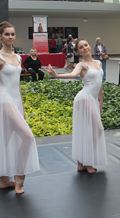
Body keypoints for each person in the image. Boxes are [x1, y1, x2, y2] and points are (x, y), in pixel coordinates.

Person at [0, 21, 40, 195]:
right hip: (3, 101)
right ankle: (19, 178)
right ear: (0, 37)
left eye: (12, 34)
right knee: (27, 136)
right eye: (7, 34)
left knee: (7, 139)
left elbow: (17, 84)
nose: (10, 37)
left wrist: (22, 107)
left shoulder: (18, 57)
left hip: (15, 101)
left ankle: (4, 180)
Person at [45, 39, 107, 174]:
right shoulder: (81, 65)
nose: (84, 48)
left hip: (93, 99)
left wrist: (100, 101)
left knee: (90, 130)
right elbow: (73, 74)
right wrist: (56, 75)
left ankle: (82, 162)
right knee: (96, 130)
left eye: (86, 45)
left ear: (90, 46)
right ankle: (87, 161)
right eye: (81, 47)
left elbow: (99, 83)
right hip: (84, 99)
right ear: (78, 51)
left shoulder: (98, 63)